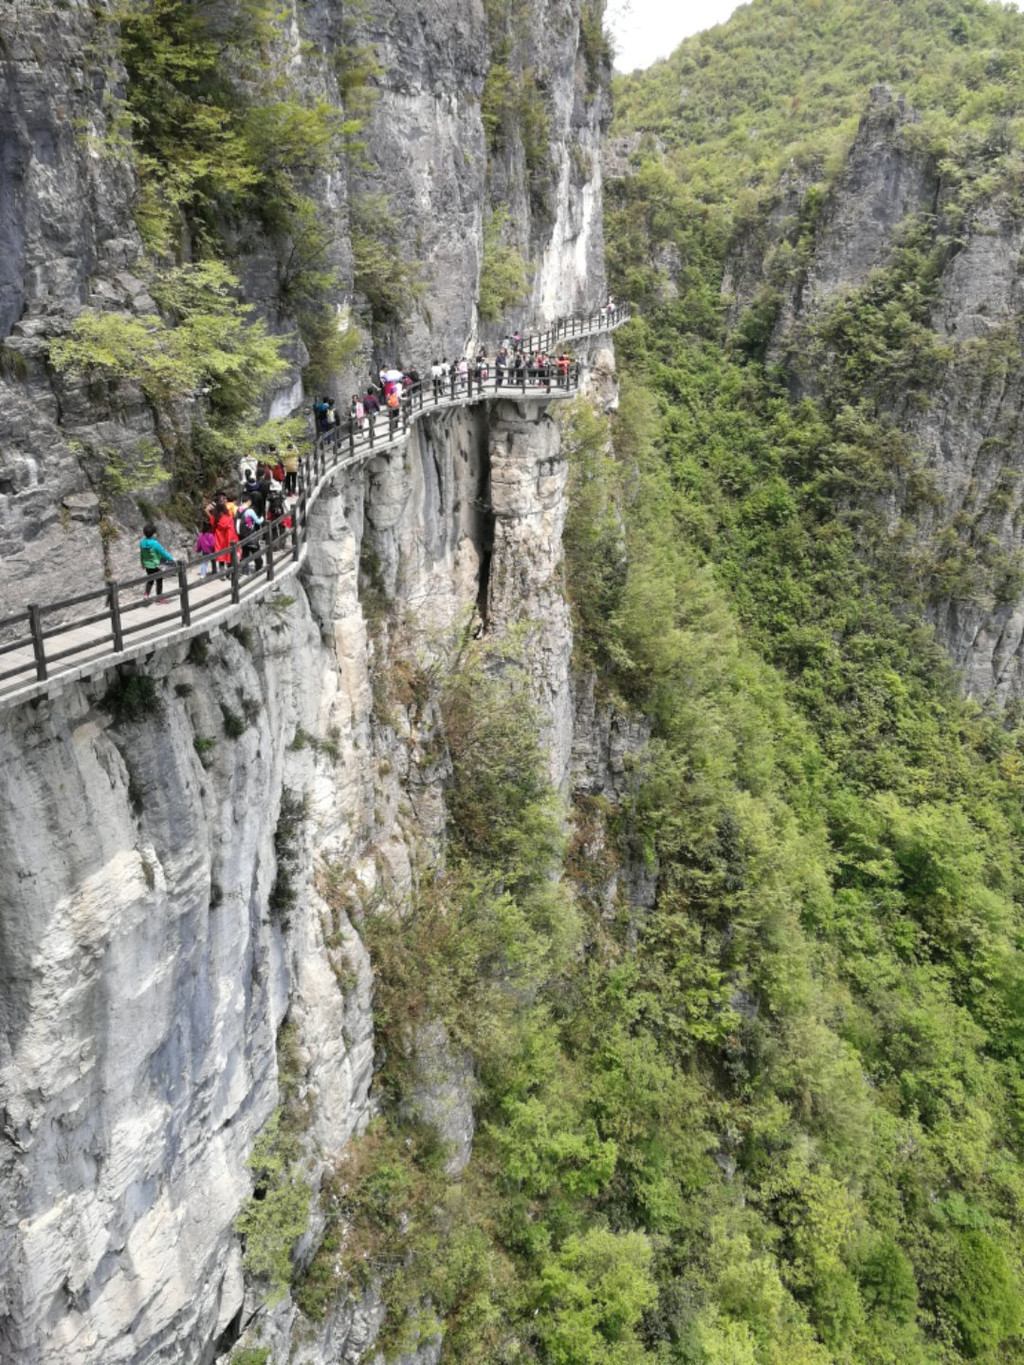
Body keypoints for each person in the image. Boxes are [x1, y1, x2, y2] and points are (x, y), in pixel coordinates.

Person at [139, 524, 175, 602]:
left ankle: (146, 594)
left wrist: (142, 563)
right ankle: (159, 598)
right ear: (153, 534)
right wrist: (171, 559)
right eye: (155, 532)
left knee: (150, 580)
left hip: (147, 565)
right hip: (156, 565)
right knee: (159, 581)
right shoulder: (155, 543)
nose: (156, 534)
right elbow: (163, 553)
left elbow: (141, 554)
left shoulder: (142, 543)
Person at [212, 497, 239, 572]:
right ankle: (229, 572)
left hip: (219, 538)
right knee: (229, 554)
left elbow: (213, 527)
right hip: (229, 537)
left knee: (221, 554)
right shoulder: (230, 518)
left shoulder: (214, 518)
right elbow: (233, 530)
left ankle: (222, 572)